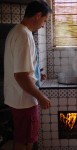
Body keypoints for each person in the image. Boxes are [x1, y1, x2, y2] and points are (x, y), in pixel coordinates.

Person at [4, 1, 52, 150]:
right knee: (25, 142)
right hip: (24, 101)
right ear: (38, 16)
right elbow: (21, 76)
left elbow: (21, 69)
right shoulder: (24, 36)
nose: (44, 25)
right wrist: (40, 96)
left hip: (17, 98)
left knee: (22, 138)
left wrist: (37, 73)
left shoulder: (16, 31)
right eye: (45, 20)